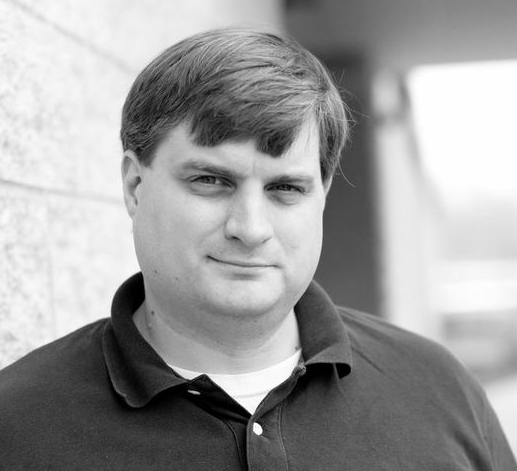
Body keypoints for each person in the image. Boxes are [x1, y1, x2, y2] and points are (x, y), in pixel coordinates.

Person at [0, 27, 515, 471]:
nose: (250, 229)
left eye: (285, 188)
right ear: (136, 186)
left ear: (322, 195)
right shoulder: (17, 424)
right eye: (210, 180)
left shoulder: (439, 389)